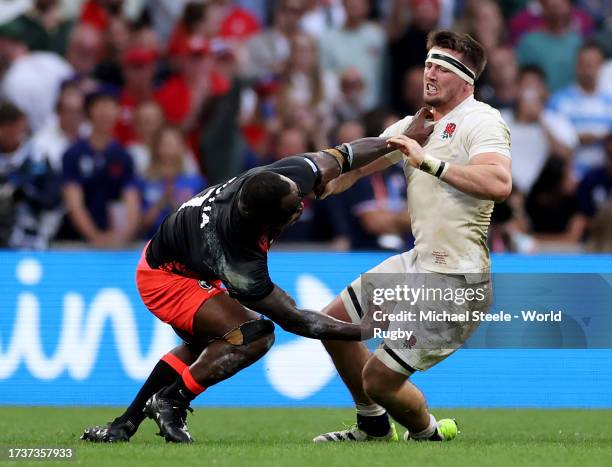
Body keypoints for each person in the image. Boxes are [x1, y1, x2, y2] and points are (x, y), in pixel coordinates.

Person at [80, 106, 434, 444]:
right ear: (265, 223)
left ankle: (125, 424)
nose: (302, 205)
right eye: (294, 209)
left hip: (183, 255)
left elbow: (346, 155)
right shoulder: (237, 258)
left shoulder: (289, 175)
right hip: (165, 277)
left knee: (202, 344)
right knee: (253, 335)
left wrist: (402, 138)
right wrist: (365, 329)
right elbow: (296, 320)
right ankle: (171, 400)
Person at [313, 30, 512, 443]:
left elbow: (499, 181)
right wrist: (313, 184)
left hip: (457, 281)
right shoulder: (415, 124)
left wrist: (428, 162)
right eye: (428, 64)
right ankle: (372, 426)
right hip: (417, 264)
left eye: (442, 67)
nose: (430, 73)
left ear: (466, 80)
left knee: (379, 379)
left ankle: (427, 432)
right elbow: (355, 169)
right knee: (332, 324)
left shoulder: (483, 119)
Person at [60, 87, 140, 248]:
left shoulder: (123, 156)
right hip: (78, 241)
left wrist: (122, 237)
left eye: (111, 107)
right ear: (89, 112)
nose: (106, 113)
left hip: (115, 241)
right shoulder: (73, 154)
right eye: (100, 107)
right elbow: (74, 201)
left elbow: (131, 201)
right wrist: (95, 237)